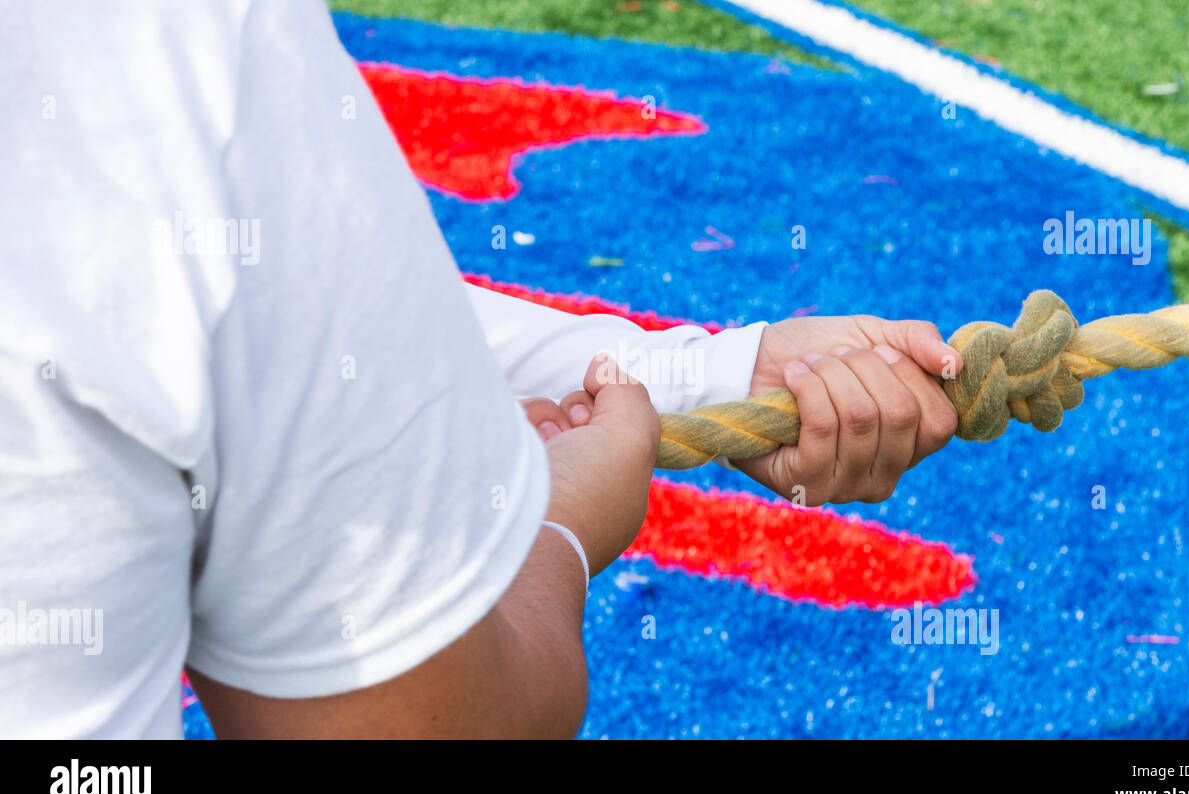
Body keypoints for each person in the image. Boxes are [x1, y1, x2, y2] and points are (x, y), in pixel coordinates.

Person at [0, 0, 961, 738]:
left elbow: (262, 305)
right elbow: (425, 725)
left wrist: (704, 372)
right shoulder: (170, 45)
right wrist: (560, 531)